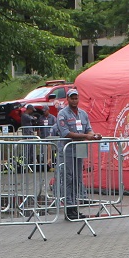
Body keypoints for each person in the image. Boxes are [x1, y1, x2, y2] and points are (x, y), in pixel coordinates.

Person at [55, 90, 101, 220]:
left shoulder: (83, 114)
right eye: (72, 98)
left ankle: (75, 207)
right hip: (67, 151)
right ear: (68, 99)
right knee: (68, 179)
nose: (74, 101)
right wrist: (86, 136)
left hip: (79, 150)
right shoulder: (62, 114)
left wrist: (94, 135)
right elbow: (65, 133)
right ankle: (69, 208)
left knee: (77, 179)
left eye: (76, 98)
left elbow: (89, 129)